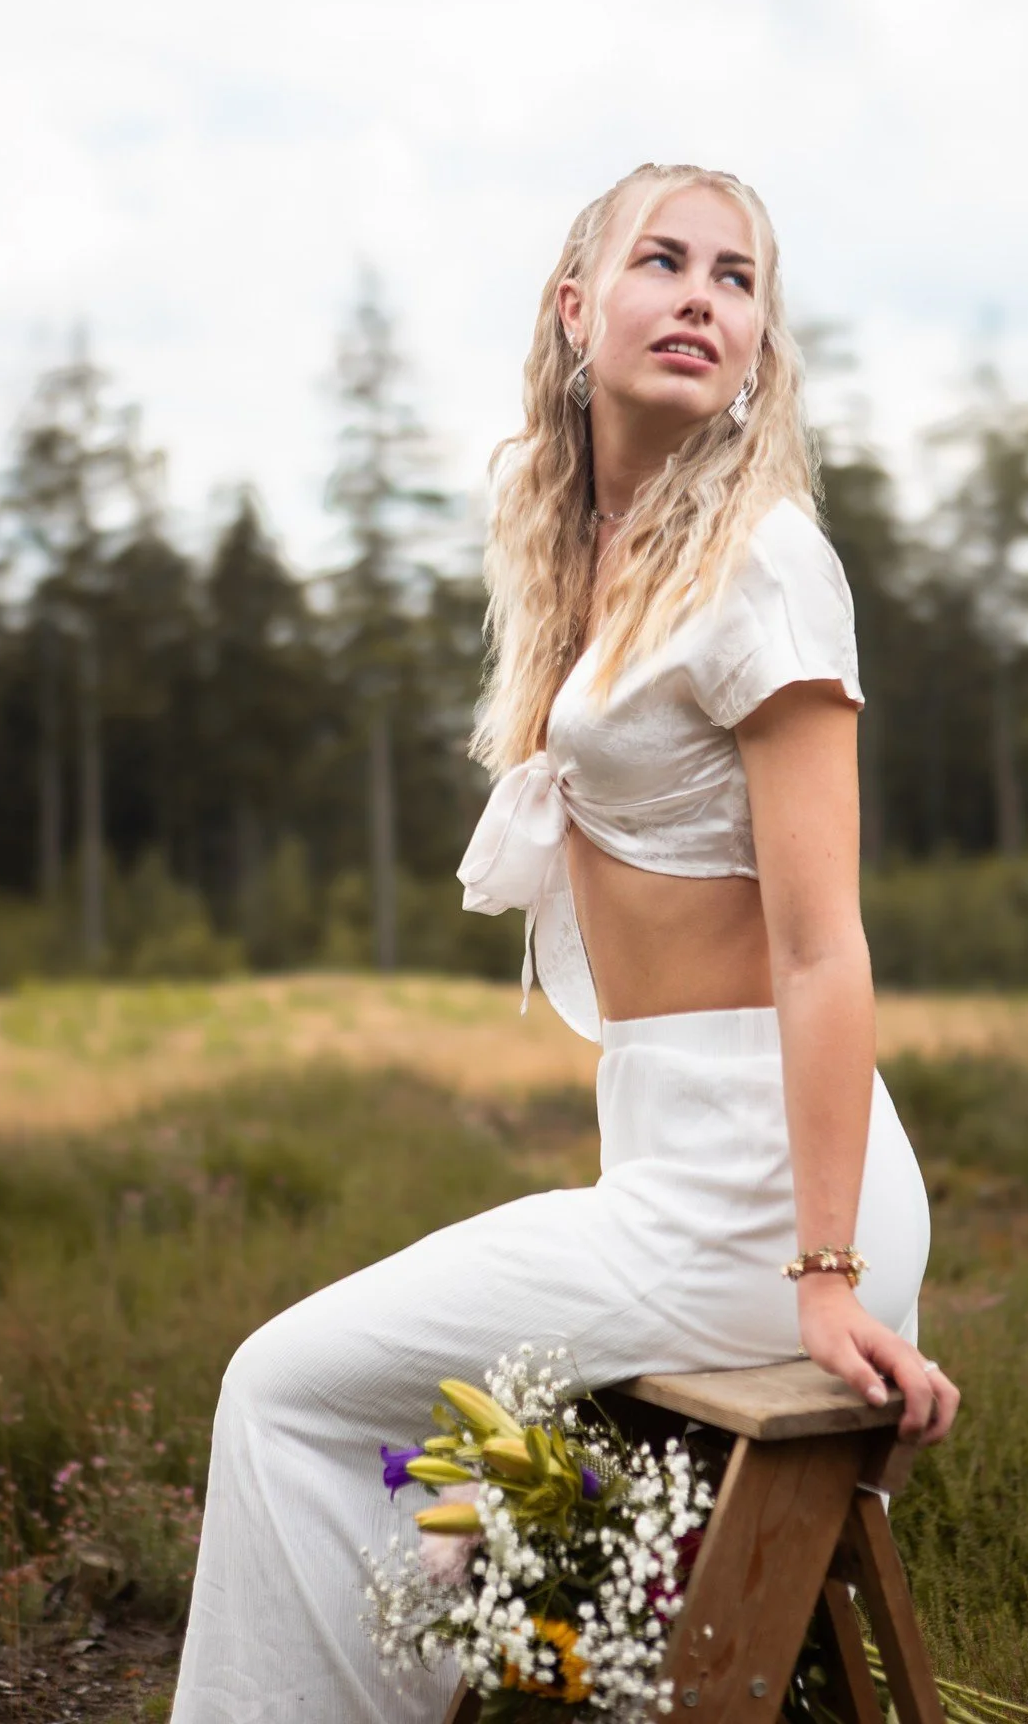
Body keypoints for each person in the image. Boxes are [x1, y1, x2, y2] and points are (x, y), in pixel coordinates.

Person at [170, 161, 959, 1724]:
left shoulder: (765, 563)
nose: (701, 298)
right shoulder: (589, 549)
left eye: (737, 279)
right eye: (662, 261)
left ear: (759, 340)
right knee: (430, 1470)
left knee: (280, 1393)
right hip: (676, 1168)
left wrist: (825, 1275)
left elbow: (820, 951)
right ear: (576, 303)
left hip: (765, 1200)